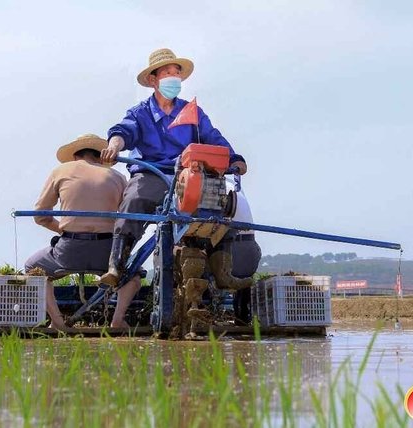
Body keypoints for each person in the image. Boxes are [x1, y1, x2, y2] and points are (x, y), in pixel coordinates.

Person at [99, 48, 248, 287]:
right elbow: (122, 132)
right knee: (134, 200)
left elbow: (213, 138)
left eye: (176, 73)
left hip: (189, 175)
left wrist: (234, 159)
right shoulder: (140, 113)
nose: (173, 78)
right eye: (167, 72)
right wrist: (114, 147)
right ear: (153, 79)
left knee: (221, 206)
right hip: (152, 173)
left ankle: (221, 271)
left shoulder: (192, 112)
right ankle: (116, 264)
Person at [24, 134, 141, 330]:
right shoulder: (118, 177)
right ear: (100, 156)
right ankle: (117, 320)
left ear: (76, 156)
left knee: (32, 269)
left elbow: (40, 215)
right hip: (107, 252)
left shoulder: (61, 171)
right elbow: (128, 217)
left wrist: (64, 230)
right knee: (134, 277)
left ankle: (58, 322)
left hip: (69, 250)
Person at [225, 178, 262, 323]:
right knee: (243, 283)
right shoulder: (236, 187)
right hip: (251, 248)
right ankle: (243, 317)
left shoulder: (216, 191)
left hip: (232, 249)